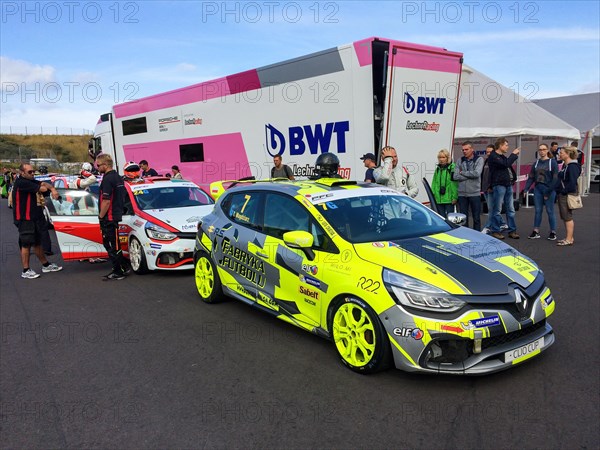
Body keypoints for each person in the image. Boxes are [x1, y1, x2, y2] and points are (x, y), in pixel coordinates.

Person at [11, 163, 63, 279]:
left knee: (37, 243)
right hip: (25, 218)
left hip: (34, 217)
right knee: (26, 243)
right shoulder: (22, 183)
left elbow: (44, 184)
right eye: (30, 172)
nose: (33, 173)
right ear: (22, 173)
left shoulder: (30, 181)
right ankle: (25, 270)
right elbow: (43, 188)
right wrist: (50, 189)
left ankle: (45, 265)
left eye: (33, 171)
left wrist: (53, 189)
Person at [97, 154, 129, 280]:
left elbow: (106, 201)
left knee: (110, 245)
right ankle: (123, 267)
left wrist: (101, 216)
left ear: (105, 165)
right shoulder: (118, 177)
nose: (97, 168)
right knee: (116, 244)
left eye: (98, 165)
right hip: (115, 216)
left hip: (109, 218)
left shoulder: (108, 179)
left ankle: (118, 271)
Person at [524, 143, 558, 240]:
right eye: (540, 150)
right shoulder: (536, 163)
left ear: (547, 150)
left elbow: (555, 179)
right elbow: (531, 177)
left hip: (549, 189)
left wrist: (548, 192)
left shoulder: (552, 162)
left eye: (543, 149)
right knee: (538, 211)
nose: (542, 151)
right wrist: (526, 189)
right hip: (538, 189)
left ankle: (553, 232)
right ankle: (536, 231)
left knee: (550, 210)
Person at [488, 138, 520, 240]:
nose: (507, 147)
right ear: (500, 146)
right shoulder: (493, 156)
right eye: (506, 145)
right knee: (497, 209)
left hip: (507, 184)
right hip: (499, 185)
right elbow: (505, 164)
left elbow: (507, 164)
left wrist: (513, 179)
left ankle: (512, 230)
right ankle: (496, 231)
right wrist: (514, 154)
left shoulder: (502, 156)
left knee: (510, 209)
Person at [453, 142, 484, 230]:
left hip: (474, 193)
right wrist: (469, 176)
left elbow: (477, 173)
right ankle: (465, 236)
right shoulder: (460, 160)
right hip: (462, 194)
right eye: (463, 150)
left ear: (472, 149)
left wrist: (462, 172)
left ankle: (477, 237)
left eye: (466, 149)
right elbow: (455, 176)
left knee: (476, 218)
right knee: (463, 219)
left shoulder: (479, 159)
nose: (464, 151)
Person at [555, 145, 581, 246]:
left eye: (561, 153)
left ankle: (569, 239)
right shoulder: (567, 166)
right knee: (565, 216)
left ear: (568, 154)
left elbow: (572, 182)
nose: (559, 154)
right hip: (565, 193)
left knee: (567, 217)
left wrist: (564, 191)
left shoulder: (572, 166)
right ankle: (569, 237)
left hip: (567, 194)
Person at [431, 149, 457, 217]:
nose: (441, 159)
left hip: (449, 199)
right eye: (440, 157)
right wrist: (432, 195)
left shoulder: (452, 168)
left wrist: (455, 197)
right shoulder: (438, 169)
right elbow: (434, 183)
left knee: (450, 218)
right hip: (438, 199)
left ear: (447, 158)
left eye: (443, 157)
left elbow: (455, 184)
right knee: (441, 218)